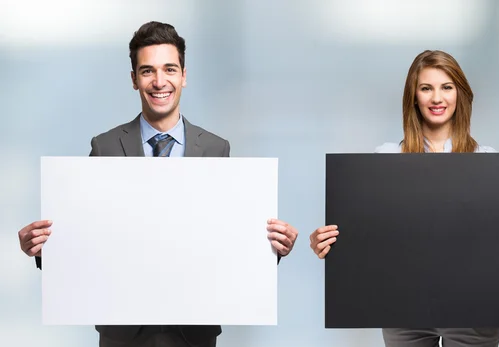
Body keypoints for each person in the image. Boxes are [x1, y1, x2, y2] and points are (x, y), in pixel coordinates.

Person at [17, 21, 299, 347]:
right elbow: (88, 236)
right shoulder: (105, 147)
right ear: (134, 80)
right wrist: (42, 251)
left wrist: (273, 249)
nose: (159, 81)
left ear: (184, 76)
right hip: (124, 332)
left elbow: (226, 239)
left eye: (169, 69)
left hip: (193, 331)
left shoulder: (215, 149)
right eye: (148, 71)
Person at [309, 50, 499, 347]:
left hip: (474, 310)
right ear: (413, 97)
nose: (437, 98)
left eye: (446, 87)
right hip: (404, 310)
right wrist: (328, 243)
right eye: (426, 88)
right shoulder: (385, 160)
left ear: (460, 95)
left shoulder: (487, 162)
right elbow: (367, 234)